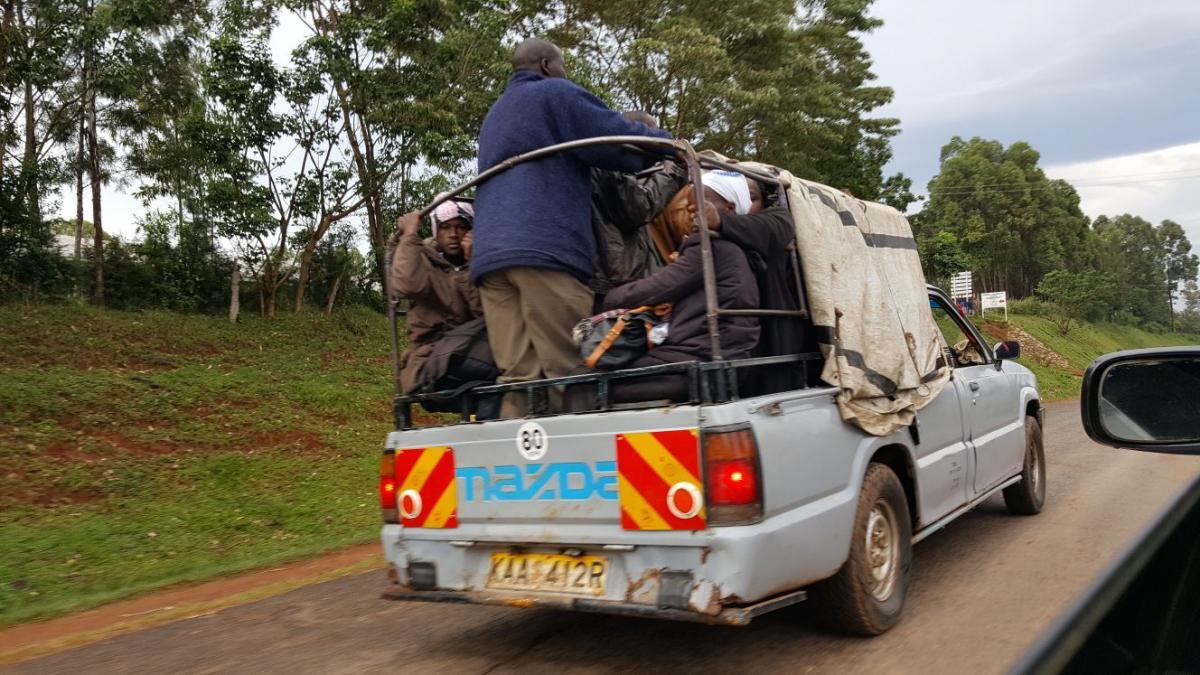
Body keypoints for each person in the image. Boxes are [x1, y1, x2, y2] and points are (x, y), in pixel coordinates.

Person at [472, 38, 672, 417]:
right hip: (543, 249)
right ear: (547, 65)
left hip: (490, 257)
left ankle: (521, 463)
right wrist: (670, 144)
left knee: (518, 377)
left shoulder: (495, 114)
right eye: (563, 65)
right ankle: (585, 464)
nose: (566, 73)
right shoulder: (555, 94)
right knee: (570, 370)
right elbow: (614, 138)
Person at [591, 199, 759, 404]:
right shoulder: (741, 251)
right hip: (726, 359)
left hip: (697, 359)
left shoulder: (711, 248)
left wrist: (608, 299)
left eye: (701, 205)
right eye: (690, 208)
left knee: (584, 385)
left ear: (729, 209)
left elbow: (658, 287)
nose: (692, 213)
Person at [700, 176, 814, 392]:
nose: (741, 203)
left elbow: (774, 228)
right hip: (721, 338)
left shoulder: (775, 219)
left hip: (771, 335)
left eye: (751, 197)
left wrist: (723, 222)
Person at [589, 111, 689, 310]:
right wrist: (675, 169)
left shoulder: (602, 161)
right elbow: (639, 208)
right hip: (609, 276)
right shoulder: (609, 163)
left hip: (605, 273)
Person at [388, 200, 481, 394]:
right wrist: (410, 235)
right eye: (445, 227)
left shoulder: (478, 261)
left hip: (472, 347)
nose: (453, 234)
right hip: (429, 356)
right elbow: (407, 285)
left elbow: (484, 312)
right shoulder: (421, 257)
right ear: (435, 231)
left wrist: (473, 263)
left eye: (461, 227)